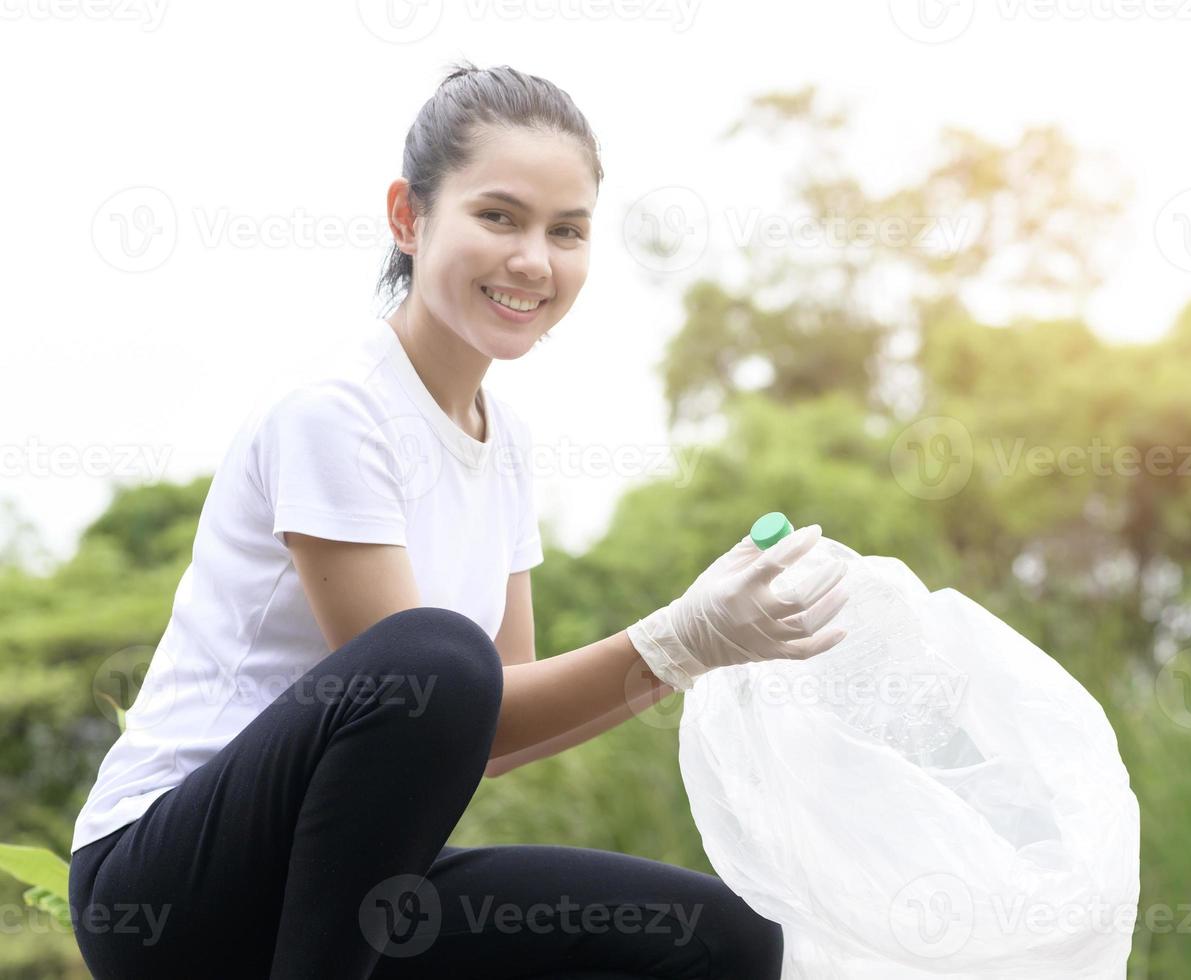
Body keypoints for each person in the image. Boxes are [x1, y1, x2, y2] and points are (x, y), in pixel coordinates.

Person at [66, 62, 851, 979]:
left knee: (724, 939)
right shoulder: (336, 408)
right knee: (434, 654)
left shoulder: (503, 445)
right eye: (498, 217)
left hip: (339, 885)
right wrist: (674, 636)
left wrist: (705, 644)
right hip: (169, 884)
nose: (533, 260)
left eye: (566, 232)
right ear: (408, 216)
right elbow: (422, 686)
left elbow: (489, 733)